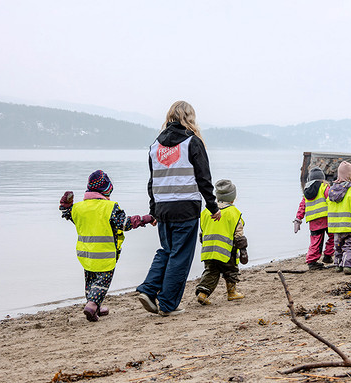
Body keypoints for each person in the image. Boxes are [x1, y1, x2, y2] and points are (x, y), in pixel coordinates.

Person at [136, 101, 221, 316]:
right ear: (189, 118)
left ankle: (148, 289)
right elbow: (204, 178)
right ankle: (167, 304)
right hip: (186, 207)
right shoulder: (192, 141)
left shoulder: (155, 145)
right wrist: (213, 207)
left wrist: (153, 209)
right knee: (180, 255)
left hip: (163, 208)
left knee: (167, 250)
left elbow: (152, 181)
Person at [59, 170, 155, 322]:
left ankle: (95, 306)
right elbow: (125, 224)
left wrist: (66, 204)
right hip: (105, 254)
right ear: (107, 189)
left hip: (85, 254)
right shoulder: (110, 207)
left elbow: (67, 213)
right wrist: (145, 219)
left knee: (91, 280)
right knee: (102, 282)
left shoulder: (78, 208)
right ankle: (92, 305)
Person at [195, 179, 248, 305]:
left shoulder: (206, 212)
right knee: (231, 271)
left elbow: (202, 231)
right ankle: (232, 293)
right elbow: (238, 234)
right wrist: (243, 250)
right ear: (233, 199)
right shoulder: (234, 213)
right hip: (226, 251)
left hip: (209, 250)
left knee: (211, 271)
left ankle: (203, 293)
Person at [293, 167, 335, 270]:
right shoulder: (325, 187)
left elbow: (302, 206)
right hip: (327, 218)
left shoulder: (306, 192)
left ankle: (312, 261)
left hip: (314, 221)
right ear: (322, 178)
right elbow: (331, 199)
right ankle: (328, 255)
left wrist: (298, 219)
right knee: (333, 236)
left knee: (315, 241)